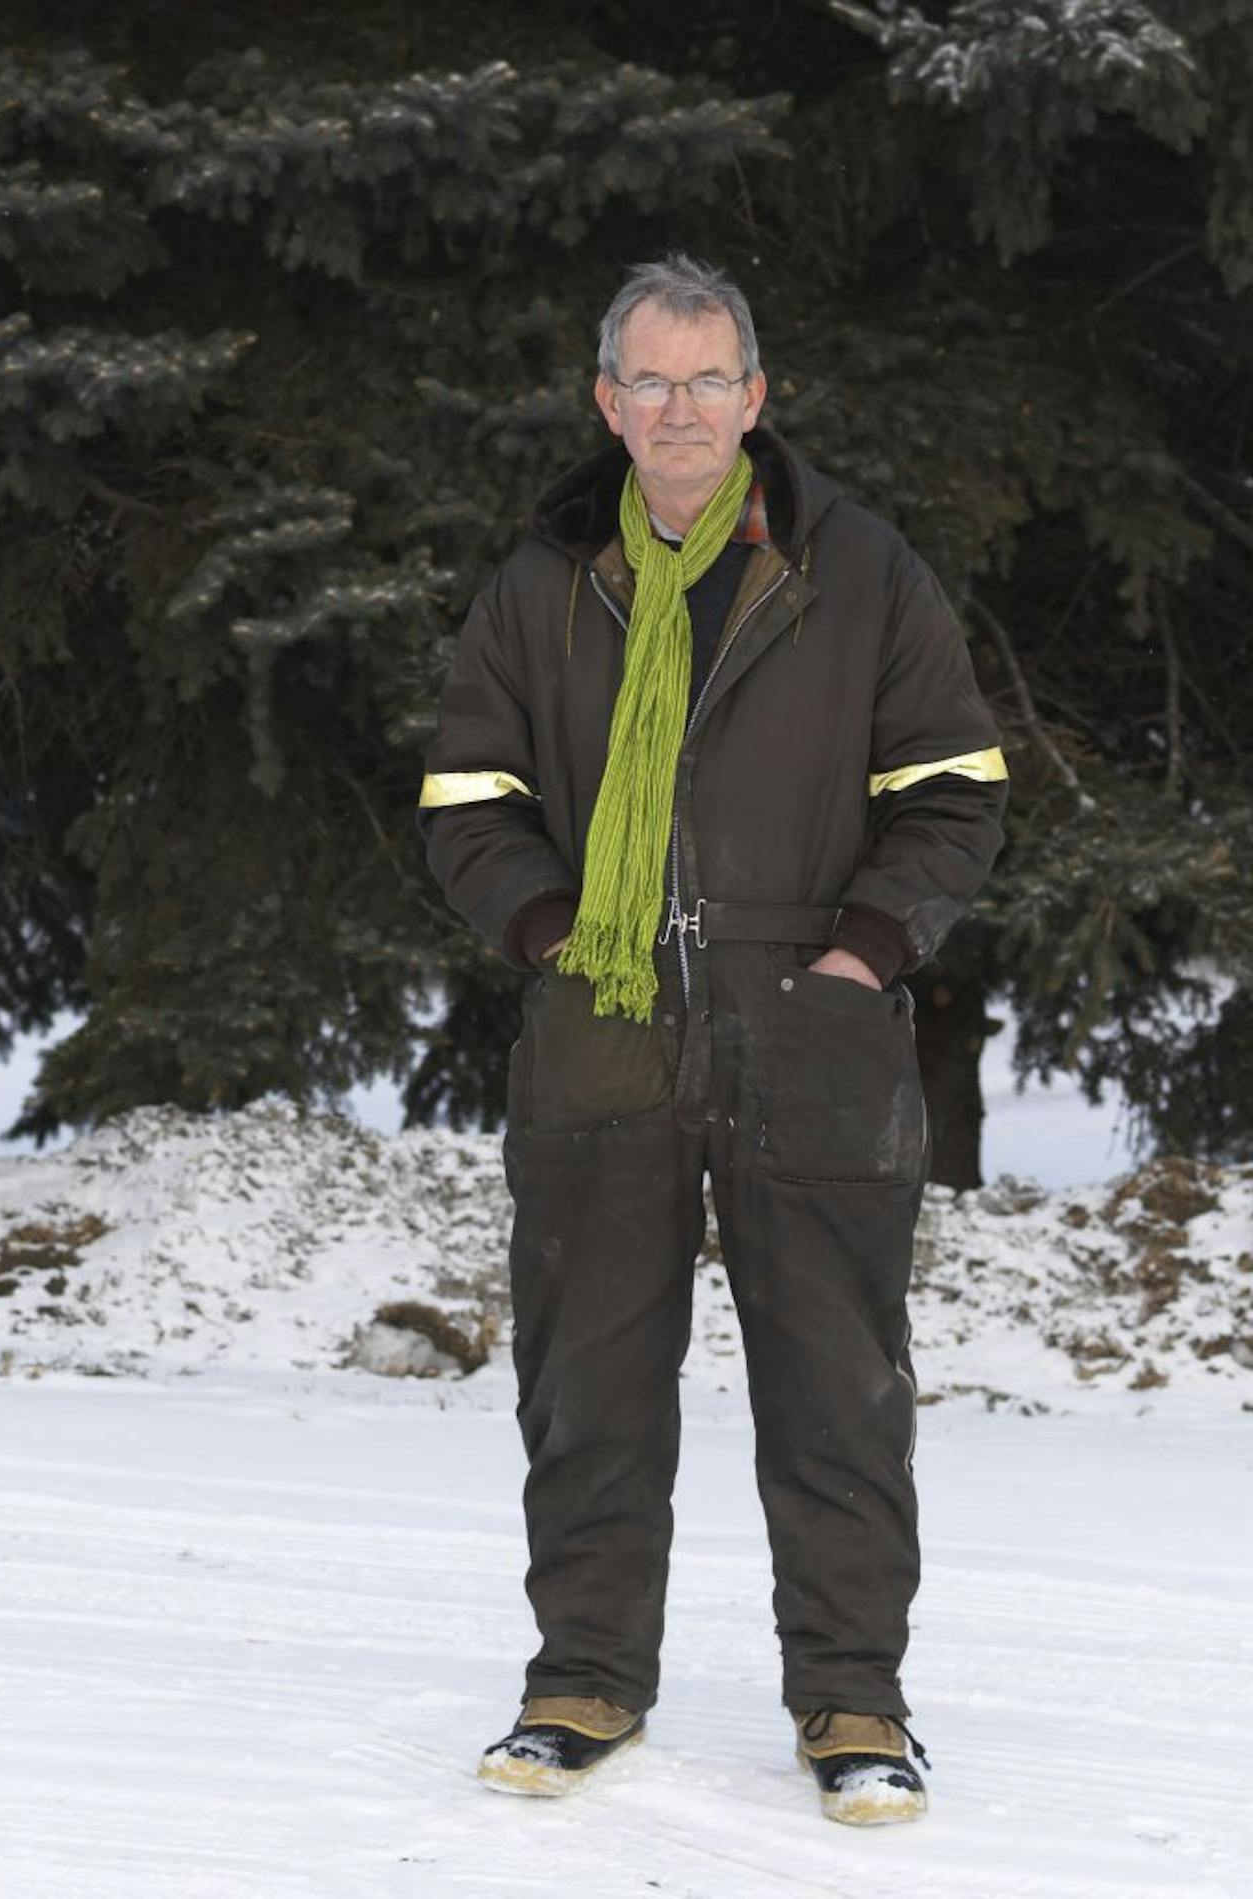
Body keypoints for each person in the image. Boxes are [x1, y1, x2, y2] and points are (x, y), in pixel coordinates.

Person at [416, 254, 1007, 1827]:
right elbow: (471, 799)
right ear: (606, 405)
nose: (679, 411)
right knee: (590, 1375)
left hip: (807, 1025)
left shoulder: (858, 569)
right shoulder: (543, 580)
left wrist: (855, 960)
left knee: (837, 1384)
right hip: (602, 1022)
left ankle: (854, 1703)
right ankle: (584, 1681)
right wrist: (555, 938)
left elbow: (955, 787)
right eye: (648, 383)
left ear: (758, 397)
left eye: (708, 380)